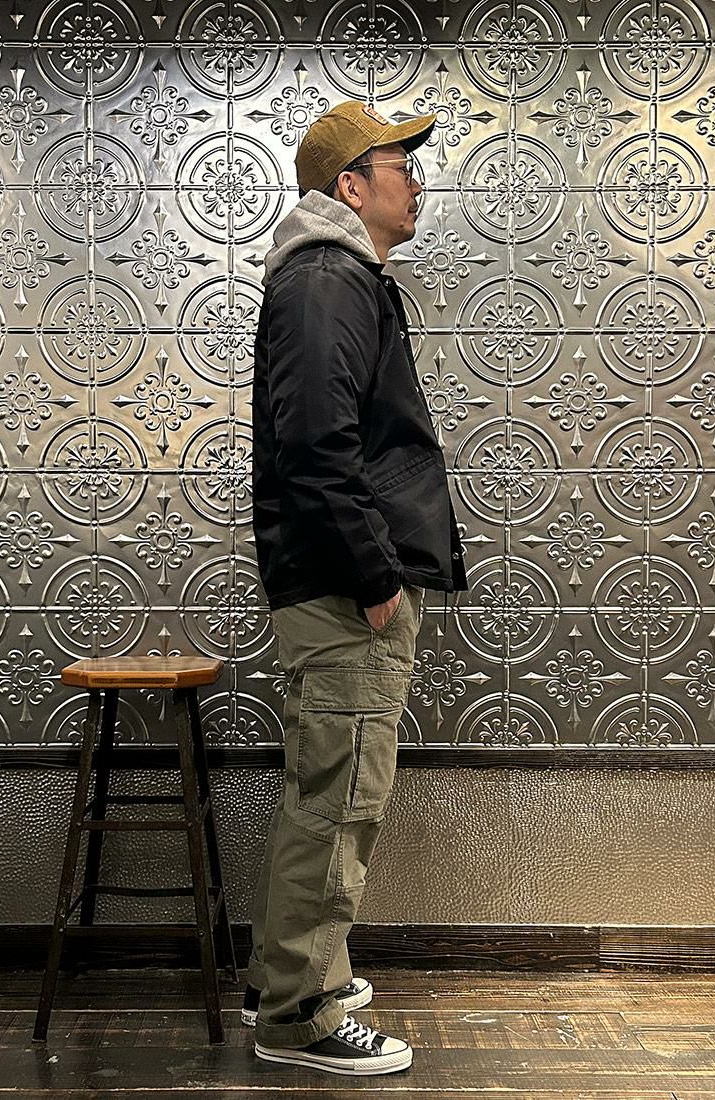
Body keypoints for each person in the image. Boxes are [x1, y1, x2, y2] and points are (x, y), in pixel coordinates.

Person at [243, 100, 467, 1076]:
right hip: (345, 591)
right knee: (338, 800)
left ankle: (293, 972)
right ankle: (299, 1014)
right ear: (349, 185)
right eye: (399, 165)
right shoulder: (328, 277)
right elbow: (313, 447)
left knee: (328, 790)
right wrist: (375, 576)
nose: (415, 182)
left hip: (337, 584)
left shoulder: (333, 276)